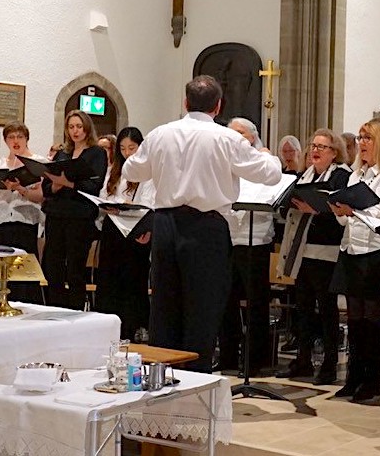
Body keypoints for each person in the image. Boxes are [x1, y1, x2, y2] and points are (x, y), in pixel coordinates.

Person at [122, 75, 281, 372]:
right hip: (206, 228)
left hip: (166, 225)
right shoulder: (227, 138)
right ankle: (195, 379)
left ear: (185, 103)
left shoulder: (160, 134)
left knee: (165, 304)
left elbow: (132, 169)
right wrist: (266, 156)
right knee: (203, 307)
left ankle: (162, 376)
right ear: (218, 106)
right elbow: (270, 175)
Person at [329, 120, 380, 401]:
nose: (362, 142)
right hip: (351, 248)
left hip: (374, 251)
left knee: (372, 316)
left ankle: (371, 380)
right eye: (360, 137)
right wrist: (339, 210)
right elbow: (345, 216)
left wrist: (352, 209)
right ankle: (353, 377)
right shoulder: (355, 174)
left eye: (368, 137)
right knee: (354, 316)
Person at [276, 128, 351, 384]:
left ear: (335, 152)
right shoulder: (304, 176)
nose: (316, 150)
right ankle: (303, 359)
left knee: (327, 309)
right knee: (304, 307)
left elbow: (342, 211)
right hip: (304, 249)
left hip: (328, 250)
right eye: (314, 146)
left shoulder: (342, 176)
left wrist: (316, 209)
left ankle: (330, 363)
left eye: (322, 146)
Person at [219, 117, 276, 374]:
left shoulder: (263, 161)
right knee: (226, 302)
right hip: (229, 237)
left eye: (240, 134)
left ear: (252, 137)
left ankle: (255, 359)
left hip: (256, 238)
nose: (235, 138)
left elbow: (269, 192)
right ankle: (229, 357)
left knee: (255, 302)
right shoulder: (224, 161)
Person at [40, 110, 108, 309]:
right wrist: (56, 185)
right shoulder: (63, 153)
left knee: (75, 269)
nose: (75, 131)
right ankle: (55, 309)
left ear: (87, 127)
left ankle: (76, 312)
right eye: (71, 127)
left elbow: (94, 186)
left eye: (79, 126)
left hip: (79, 217)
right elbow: (46, 187)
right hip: (56, 215)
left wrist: (68, 183)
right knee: (53, 266)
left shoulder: (97, 153)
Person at [96, 126, 154, 341]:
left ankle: (132, 327)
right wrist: (109, 205)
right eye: (122, 148)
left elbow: (150, 201)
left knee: (132, 280)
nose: (127, 153)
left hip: (136, 229)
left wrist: (130, 206)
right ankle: (108, 327)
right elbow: (104, 194)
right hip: (113, 227)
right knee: (109, 278)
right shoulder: (115, 170)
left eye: (132, 148)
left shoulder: (148, 171)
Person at [0, 121, 46, 303]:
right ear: (5, 141)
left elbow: (42, 196)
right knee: (1, 272)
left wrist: (20, 188)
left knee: (23, 273)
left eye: (20, 136)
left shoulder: (38, 163)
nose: (15, 140)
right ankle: (0, 305)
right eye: (11, 137)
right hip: (0, 221)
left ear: (27, 139)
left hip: (24, 222)